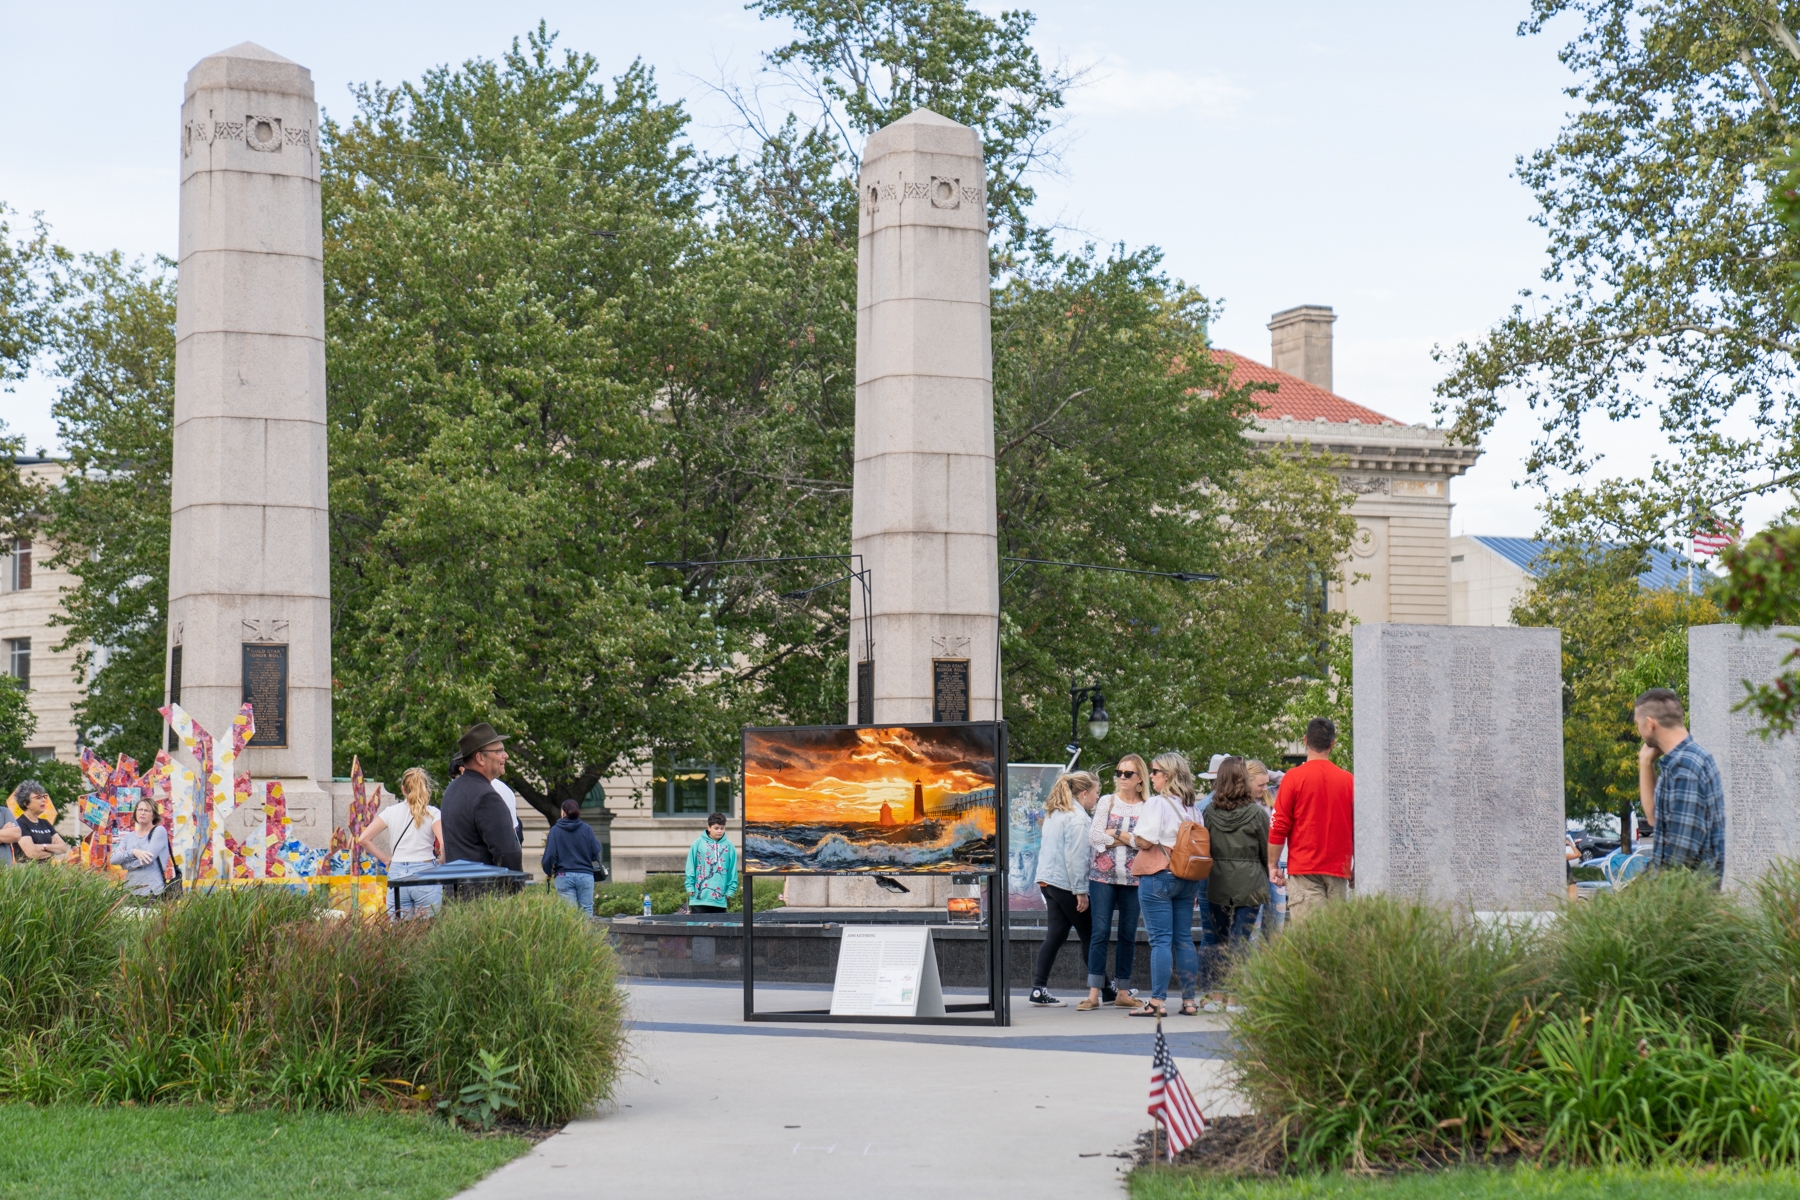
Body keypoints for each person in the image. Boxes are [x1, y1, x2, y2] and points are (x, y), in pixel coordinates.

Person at [1128, 752, 1203, 1018]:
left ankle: (1157, 1002)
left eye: (1155, 771)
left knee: (1160, 941)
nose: (1151, 776)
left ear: (1168, 775)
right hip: (1187, 877)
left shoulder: (1157, 803)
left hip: (1159, 874)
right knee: (1184, 939)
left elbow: (1145, 840)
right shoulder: (1193, 808)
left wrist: (1131, 838)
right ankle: (1189, 1001)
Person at [1080, 753, 1152, 1011]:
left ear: (1140, 778)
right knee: (1099, 932)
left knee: (1127, 934)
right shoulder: (1107, 802)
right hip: (1102, 878)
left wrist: (1116, 833)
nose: (1121, 777)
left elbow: (1145, 842)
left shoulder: (1149, 806)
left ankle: (1122, 991)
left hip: (1135, 878)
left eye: (1128, 773)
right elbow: (1094, 837)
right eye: (1119, 772)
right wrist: (1129, 838)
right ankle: (1093, 994)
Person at [1268, 717, 1354, 924]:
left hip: (1304, 869)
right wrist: (1356, 867)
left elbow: (1278, 825)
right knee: (1336, 934)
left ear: (1305, 740)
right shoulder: (1348, 780)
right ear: (1332, 743)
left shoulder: (1293, 778)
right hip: (1338, 869)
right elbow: (1358, 829)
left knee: (1309, 936)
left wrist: (1272, 864)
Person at [1635, 688, 1724, 880]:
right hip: (1684, 891)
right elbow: (1654, 819)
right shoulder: (1684, 760)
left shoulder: (1684, 768)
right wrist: (1645, 762)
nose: (1638, 731)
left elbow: (1679, 858)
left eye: (1637, 724)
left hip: (1684, 894)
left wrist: (1641, 888)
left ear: (1650, 724)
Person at [1203, 757, 1270, 1007]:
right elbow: (1267, 851)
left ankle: (1218, 994)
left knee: (1219, 940)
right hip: (1250, 883)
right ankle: (1235, 997)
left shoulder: (1208, 813)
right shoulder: (1256, 813)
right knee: (1241, 940)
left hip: (1218, 882)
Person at [1030, 771, 1100, 1006]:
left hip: (1048, 882)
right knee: (1090, 935)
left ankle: (1038, 989)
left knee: (1056, 935)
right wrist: (1081, 891)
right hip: (1066, 884)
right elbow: (1076, 857)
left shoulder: (1055, 814)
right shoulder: (1078, 819)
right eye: (1096, 793)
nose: (1097, 798)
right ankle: (1107, 989)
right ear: (1084, 793)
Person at [361, 767, 445, 917]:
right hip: (426, 872)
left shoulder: (390, 812)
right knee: (428, 928)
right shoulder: (433, 813)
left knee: (399, 929)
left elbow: (364, 839)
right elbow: (444, 843)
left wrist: (385, 859)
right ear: (426, 789)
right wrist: (442, 861)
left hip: (397, 873)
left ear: (403, 789)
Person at [440, 723, 523, 870]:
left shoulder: (451, 790)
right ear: (480, 758)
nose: (506, 755)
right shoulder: (486, 797)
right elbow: (508, 854)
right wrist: (516, 883)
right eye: (499, 751)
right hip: (484, 883)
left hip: (457, 882)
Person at [543, 798, 606, 916]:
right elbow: (596, 850)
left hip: (563, 875)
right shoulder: (587, 828)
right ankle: (586, 929)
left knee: (569, 913)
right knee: (586, 910)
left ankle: (572, 929)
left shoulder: (555, 830)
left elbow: (550, 855)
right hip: (585, 875)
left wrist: (548, 871)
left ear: (563, 812)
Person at [1247, 760, 1286, 938]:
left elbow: (1287, 780)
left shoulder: (1270, 794)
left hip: (1273, 865)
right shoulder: (1239, 802)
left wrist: (1265, 773)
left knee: (1276, 923)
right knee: (1254, 927)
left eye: (1266, 784)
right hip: (1252, 869)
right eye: (1259, 785)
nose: (1264, 788)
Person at [109, 796, 173, 897]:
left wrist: (124, 865)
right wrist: (133, 852)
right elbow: (113, 859)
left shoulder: (159, 831)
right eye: (140, 809)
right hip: (130, 892)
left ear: (153, 815)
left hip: (152, 892)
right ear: (135, 812)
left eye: (147, 810)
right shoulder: (128, 837)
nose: (142, 813)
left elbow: (147, 859)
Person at [685, 812, 739, 914]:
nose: (719, 831)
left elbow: (732, 870)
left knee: (719, 924)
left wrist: (731, 890)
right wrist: (689, 886)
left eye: (722, 828)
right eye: (716, 828)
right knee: (700, 924)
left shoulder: (729, 846)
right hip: (699, 897)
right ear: (709, 828)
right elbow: (690, 866)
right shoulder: (697, 843)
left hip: (719, 898)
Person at [11, 782, 69, 864]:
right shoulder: (20, 823)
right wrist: (53, 850)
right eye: (38, 798)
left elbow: (63, 848)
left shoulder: (45, 823)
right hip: (28, 870)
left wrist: (42, 847)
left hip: (46, 870)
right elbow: (32, 853)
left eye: (44, 797)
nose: (44, 800)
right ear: (26, 803)